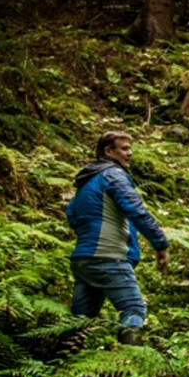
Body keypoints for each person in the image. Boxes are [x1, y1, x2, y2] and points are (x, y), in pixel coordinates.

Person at [66, 131, 169, 346]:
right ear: (108, 151)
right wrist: (160, 243)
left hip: (84, 260)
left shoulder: (86, 181)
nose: (130, 153)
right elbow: (135, 209)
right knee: (134, 308)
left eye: (130, 148)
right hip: (108, 258)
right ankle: (130, 368)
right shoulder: (113, 175)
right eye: (124, 149)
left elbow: (72, 213)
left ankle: (59, 366)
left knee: (78, 323)